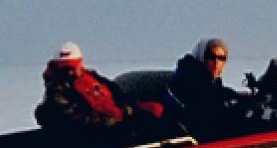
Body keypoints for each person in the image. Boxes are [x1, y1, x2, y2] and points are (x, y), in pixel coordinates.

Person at [34, 42, 163, 135]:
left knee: (156, 112)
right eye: (65, 68)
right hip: (99, 134)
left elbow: (116, 96)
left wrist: (135, 108)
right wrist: (107, 120)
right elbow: (73, 119)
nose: (70, 72)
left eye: (72, 67)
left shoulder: (91, 78)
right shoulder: (58, 91)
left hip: (119, 122)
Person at [166, 37, 247, 137]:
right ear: (201, 57)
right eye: (211, 57)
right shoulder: (188, 76)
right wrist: (236, 97)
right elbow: (207, 96)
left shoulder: (213, 83)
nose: (216, 62)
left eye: (221, 58)